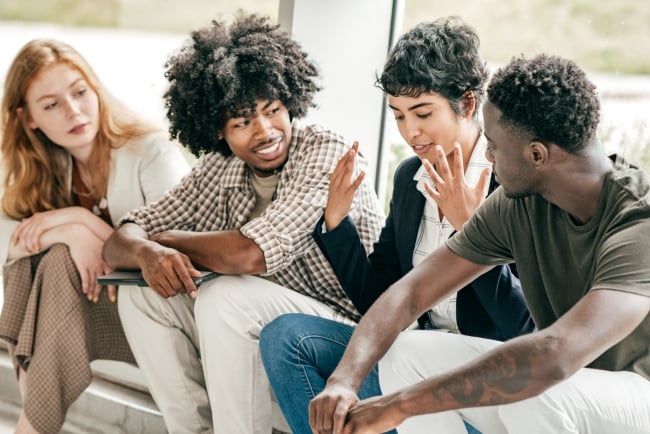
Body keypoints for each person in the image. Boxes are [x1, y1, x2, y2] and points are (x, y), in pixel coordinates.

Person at [307, 53, 650, 434]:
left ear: (537, 154)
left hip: (637, 398)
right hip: (565, 391)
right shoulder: (519, 204)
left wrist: (400, 406)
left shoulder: (640, 220)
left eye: (493, 145)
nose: (487, 155)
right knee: (407, 355)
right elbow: (412, 291)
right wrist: (344, 380)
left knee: (533, 395)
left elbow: (554, 357)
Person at [100, 13, 384, 434]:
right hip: (263, 327)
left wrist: (170, 239)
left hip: (349, 331)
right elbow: (120, 238)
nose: (265, 131)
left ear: (291, 101)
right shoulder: (220, 168)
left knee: (225, 297)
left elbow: (250, 254)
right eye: (242, 122)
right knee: (143, 295)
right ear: (219, 131)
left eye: (273, 111)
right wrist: (148, 251)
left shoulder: (325, 152)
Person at [260, 17, 534, 434]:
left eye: (422, 113)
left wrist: (471, 230)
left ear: (467, 104)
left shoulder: (513, 182)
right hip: (413, 356)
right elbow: (380, 297)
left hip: (486, 377)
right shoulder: (410, 178)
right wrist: (337, 223)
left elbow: (524, 326)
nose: (410, 131)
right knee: (286, 337)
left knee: (404, 354)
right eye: (399, 115)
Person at [0, 39, 190, 434]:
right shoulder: (46, 167)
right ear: (28, 118)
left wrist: (81, 223)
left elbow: (171, 256)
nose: (73, 111)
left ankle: (32, 425)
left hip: (161, 311)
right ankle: (35, 422)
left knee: (52, 261)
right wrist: (70, 232)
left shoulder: (151, 153)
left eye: (80, 92)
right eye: (51, 105)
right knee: (39, 263)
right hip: (101, 310)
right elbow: (12, 246)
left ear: (96, 88)